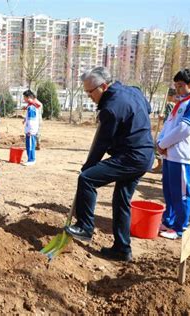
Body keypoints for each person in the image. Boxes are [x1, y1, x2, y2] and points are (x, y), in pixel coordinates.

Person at [64, 67, 154, 262]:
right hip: (145, 154)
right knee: (121, 200)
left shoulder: (111, 108)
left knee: (87, 179)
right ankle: (122, 249)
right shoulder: (134, 91)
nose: (89, 96)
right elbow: (148, 108)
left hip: (132, 156)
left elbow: (102, 144)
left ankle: (85, 228)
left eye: (90, 92)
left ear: (104, 86)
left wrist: (88, 166)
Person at [157, 69, 190, 240]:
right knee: (169, 192)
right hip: (170, 154)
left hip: (181, 155)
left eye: (180, 86)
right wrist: (160, 142)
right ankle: (168, 220)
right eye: (176, 86)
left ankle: (180, 227)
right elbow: (170, 126)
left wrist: (164, 144)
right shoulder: (182, 102)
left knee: (181, 193)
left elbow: (185, 129)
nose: (177, 89)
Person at [152, 88, 177, 172]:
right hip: (172, 131)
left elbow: (168, 118)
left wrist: (162, 118)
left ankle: (160, 165)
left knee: (158, 145)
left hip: (168, 130)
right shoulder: (177, 104)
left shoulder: (170, 104)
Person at [22, 90, 40, 166]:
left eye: (24, 97)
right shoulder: (30, 106)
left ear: (28, 97)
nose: (24, 99)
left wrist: (30, 130)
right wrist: (25, 120)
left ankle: (31, 159)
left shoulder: (31, 107)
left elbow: (32, 120)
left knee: (30, 145)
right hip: (29, 129)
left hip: (31, 130)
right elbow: (29, 118)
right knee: (29, 145)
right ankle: (30, 159)